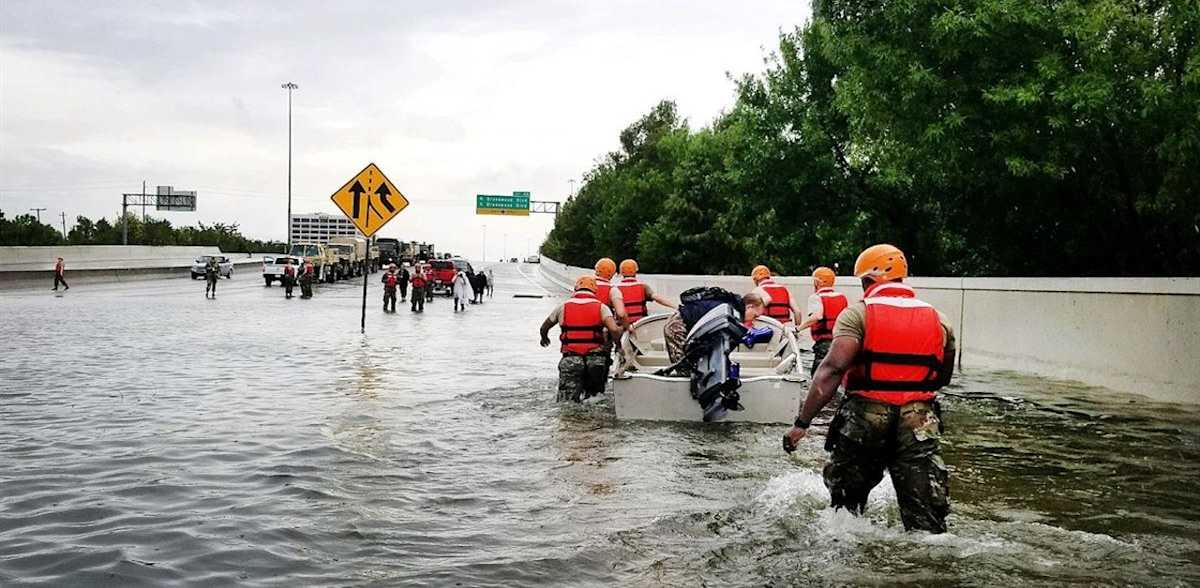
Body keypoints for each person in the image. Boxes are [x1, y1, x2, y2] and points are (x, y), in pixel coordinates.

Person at [782, 244, 957, 533]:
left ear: (867, 280)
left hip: (866, 417)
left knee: (846, 513)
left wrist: (802, 424)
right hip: (919, 420)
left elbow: (832, 370)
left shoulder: (857, 314)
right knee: (926, 521)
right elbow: (942, 377)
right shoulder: (939, 319)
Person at [539, 275, 624, 402]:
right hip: (595, 360)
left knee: (567, 402)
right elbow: (614, 330)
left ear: (575, 289)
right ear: (595, 290)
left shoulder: (563, 306)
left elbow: (544, 327)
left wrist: (544, 338)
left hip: (571, 359)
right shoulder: (601, 307)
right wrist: (618, 345)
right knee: (595, 400)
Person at [796, 266, 849, 376]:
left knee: (818, 376)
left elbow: (817, 316)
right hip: (841, 341)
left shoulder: (816, 297)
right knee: (837, 374)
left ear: (817, 282)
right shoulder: (842, 297)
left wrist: (798, 328)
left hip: (825, 343)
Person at [611, 259, 677, 329]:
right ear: (636, 271)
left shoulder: (615, 288)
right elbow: (657, 298)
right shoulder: (643, 286)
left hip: (622, 326)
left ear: (621, 272)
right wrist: (674, 306)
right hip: (640, 326)